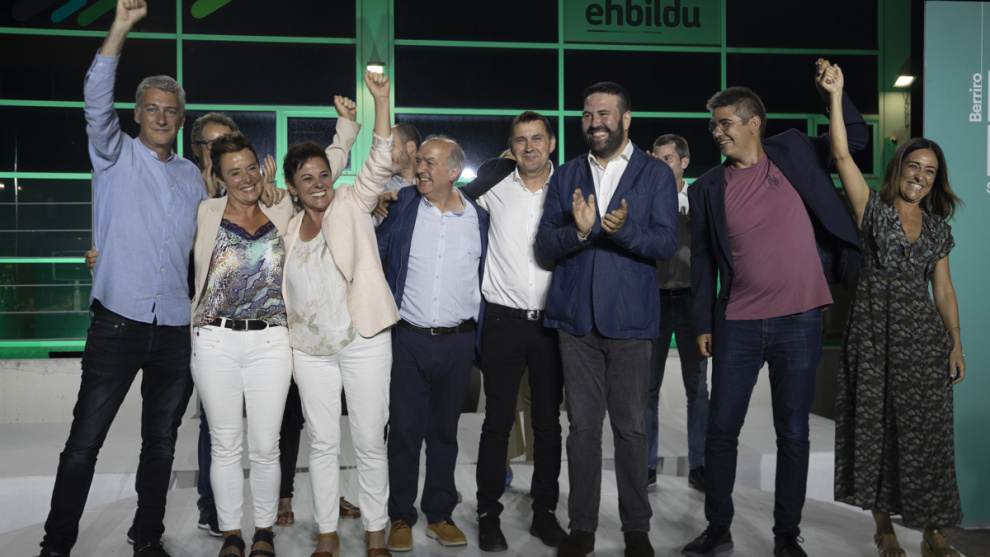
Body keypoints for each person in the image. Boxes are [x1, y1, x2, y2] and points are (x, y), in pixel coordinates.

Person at [39, 2, 209, 555]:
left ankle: (147, 537)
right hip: (117, 323)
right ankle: (55, 544)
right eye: (152, 108)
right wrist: (120, 27)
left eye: (170, 111)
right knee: (84, 443)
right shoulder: (112, 154)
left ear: (180, 119)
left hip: (175, 328)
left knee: (160, 444)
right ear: (137, 113)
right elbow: (95, 98)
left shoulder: (192, 178)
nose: (161, 117)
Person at [683, 59, 865, 557]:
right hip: (737, 323)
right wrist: (703, 322)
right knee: (722, 430)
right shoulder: (707, 188)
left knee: (794, 432)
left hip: (800, 320)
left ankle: (787, 533)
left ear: (753, 123)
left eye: (725, 123)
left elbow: (856, 140)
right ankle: (718, 527)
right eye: (713, 125)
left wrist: (834, 95)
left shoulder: (794, 151)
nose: (716, 132)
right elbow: (702, 262)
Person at [825, 64, 965, 557]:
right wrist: (837, 95)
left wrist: (956, 342)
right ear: (899, 167)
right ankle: (883, 526)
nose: (920, 178)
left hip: (923, 341)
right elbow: (842, 154)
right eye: (914, 167)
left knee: (929, 435)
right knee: (875, 429)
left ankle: (932, 531)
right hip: (873, 335)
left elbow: (943, 289)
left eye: (930, 172)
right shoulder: (872, 210)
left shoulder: (938, 228)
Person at [536, 82, 679, 557]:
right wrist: (578, 233)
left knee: (631, 430)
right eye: (587, 114)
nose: (595, 122)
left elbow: (665, 243)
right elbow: (545, 244)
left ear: (626, 118)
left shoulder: (655, 174)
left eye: (604, 113)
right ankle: (582, 526)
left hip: (631, 322)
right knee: (582, 430)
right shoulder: (566, 174)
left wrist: (625, 230)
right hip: (575, 322)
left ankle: (636, 528)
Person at [280, 69, 397, 557]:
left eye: (323, 175)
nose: (318, 184)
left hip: (363, 341)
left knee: (369, 440)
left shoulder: (351, 201)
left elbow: (380, 158)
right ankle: (326, 531)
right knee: (322, 444)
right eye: (307, 179)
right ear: (293, 187)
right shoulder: (288, 229)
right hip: (311, 352)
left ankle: (375, 531)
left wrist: (380, 101)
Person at [461, 111, 567, 552]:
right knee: (497, 423)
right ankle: (488, 513)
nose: (529, 147)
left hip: (551, 325)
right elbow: (452, 198)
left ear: (552, 143)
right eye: (521, 140)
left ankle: (545, 513)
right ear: (511, 148)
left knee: (548, 425)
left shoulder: (569, 186)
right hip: (502, 322)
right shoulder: (494, 187)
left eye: (537, 138)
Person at [377, 135, 489, 551]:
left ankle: (440, 514)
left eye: (429, 163)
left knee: (445, 433)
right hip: (408, 339)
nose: (419, 168)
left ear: (453, 171)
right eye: (419, 161)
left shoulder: (478, 219)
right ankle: (400, 516)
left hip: (458, 343)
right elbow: (374, 252)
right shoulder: (402, 204)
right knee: (404, 432)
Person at [189, 131, 294, 557]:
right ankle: (232, 533)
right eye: (235, 172)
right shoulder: (205, 212)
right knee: (225, 444)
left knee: (267, 446)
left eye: (252, 167)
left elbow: (325, 179)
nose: (247, 178)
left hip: (271, 340)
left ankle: (264, 532)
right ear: (219, 178)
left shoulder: (282, 207)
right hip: (215, 341)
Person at [644, 134, 709, 492]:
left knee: (697, 389)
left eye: (666, 158)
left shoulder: (700, 201)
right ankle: (646, 466)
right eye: (655, 158)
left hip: (691, 304)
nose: (659, 164)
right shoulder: (645, 200)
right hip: (653, 302)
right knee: (647, 389)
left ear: (684, 162)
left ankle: (700, 465)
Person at [372, 123, 420, 225]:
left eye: (390, 146)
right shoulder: (377, 192)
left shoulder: (432, 187)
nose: (385, 154)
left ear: (410, 147)